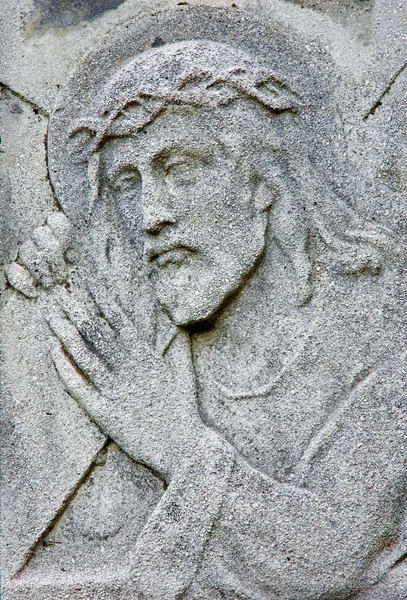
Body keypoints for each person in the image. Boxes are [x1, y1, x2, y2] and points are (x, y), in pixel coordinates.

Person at [7, 41, 407, 599]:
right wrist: (46, 292)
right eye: (127, 184)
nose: (151, 215)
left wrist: (177, 446)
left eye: (180, 170)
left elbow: (332, 561)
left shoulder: (380, 355)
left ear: (262, 179)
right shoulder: (144, 346)